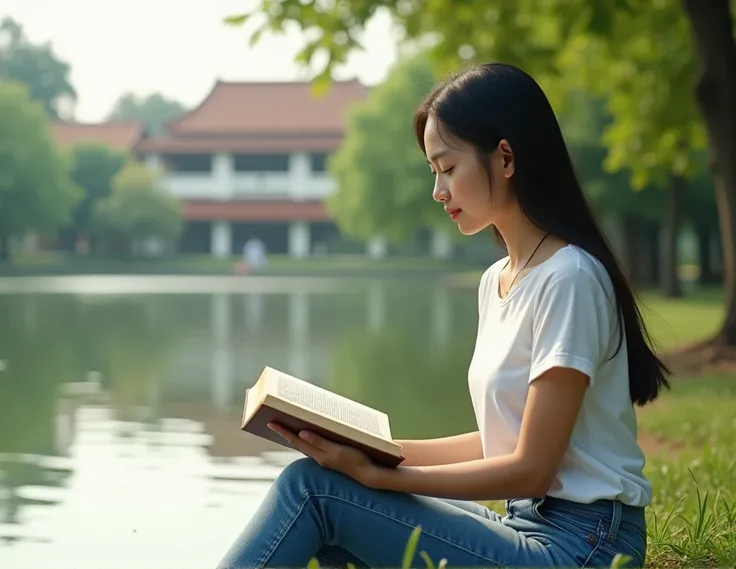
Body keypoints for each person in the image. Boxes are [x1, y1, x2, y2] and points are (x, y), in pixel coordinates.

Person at [215, 63, 670, 569]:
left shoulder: (569, 278)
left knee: (314, 493)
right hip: (526, 524)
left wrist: (385, 478)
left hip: (583, 548)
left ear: (505, 157)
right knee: (333, 487)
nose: (438, 191)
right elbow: (502, 438)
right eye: (433, 172)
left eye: (448, 168)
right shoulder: (497, 279)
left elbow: (532, 468)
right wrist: (372, 453)